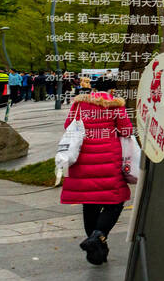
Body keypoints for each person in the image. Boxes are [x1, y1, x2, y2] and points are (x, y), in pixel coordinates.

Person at [57, 90, 134, 266]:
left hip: (83, 159)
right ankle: (97, 236)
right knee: (115, 202)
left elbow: (68, 125)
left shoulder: (79, 105)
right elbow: (126, 130)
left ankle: (97, 249)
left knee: (89, 202)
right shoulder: (115, 105)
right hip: (109, 159)